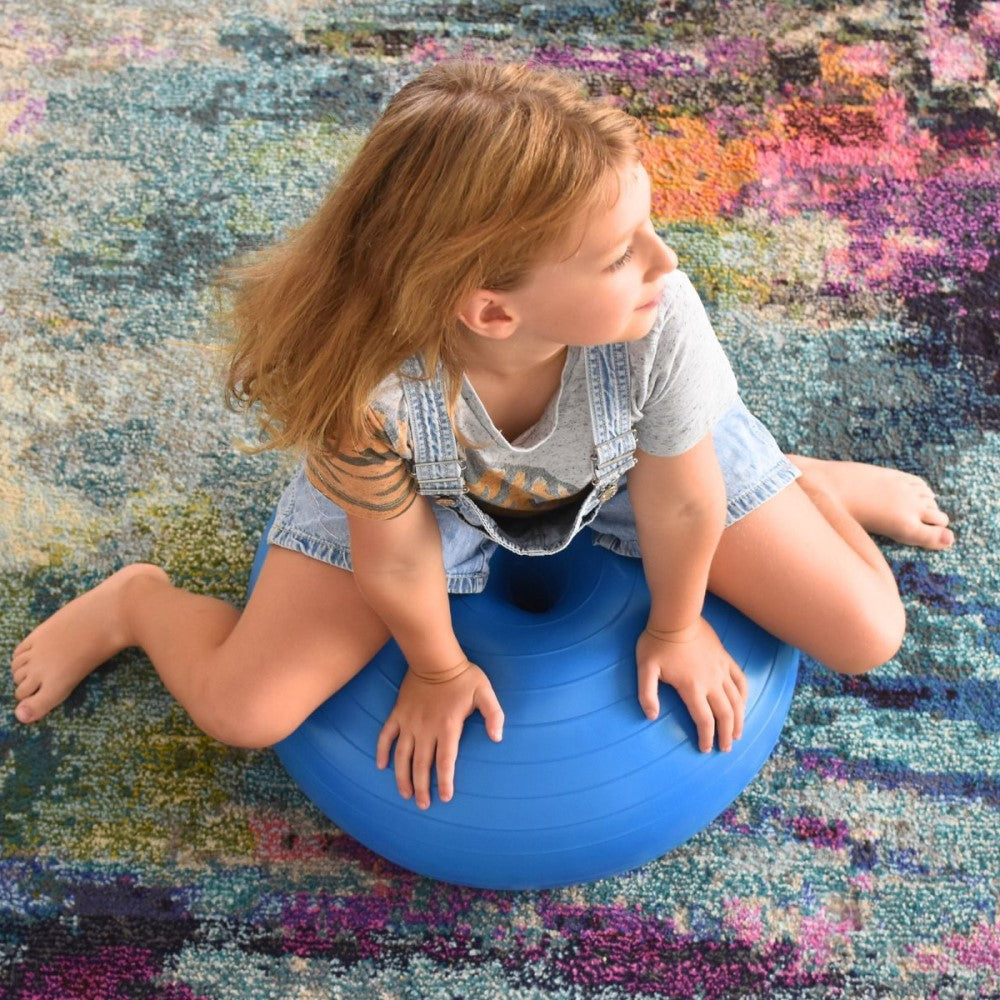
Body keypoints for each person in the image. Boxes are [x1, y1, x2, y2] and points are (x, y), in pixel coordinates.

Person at [10, 61, 953, 812]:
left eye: (649, 226)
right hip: (433, 492)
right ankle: (137, 604)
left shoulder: (656, 313)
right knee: (240, 709)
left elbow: (682, 496)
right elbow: (394, 556)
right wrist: (438, 667)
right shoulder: (368, 389)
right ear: (492, 312)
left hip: (638, 469)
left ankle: (795, 475)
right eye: (622, 251)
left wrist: (675, 625)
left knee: (870, 633)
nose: (666, 261)